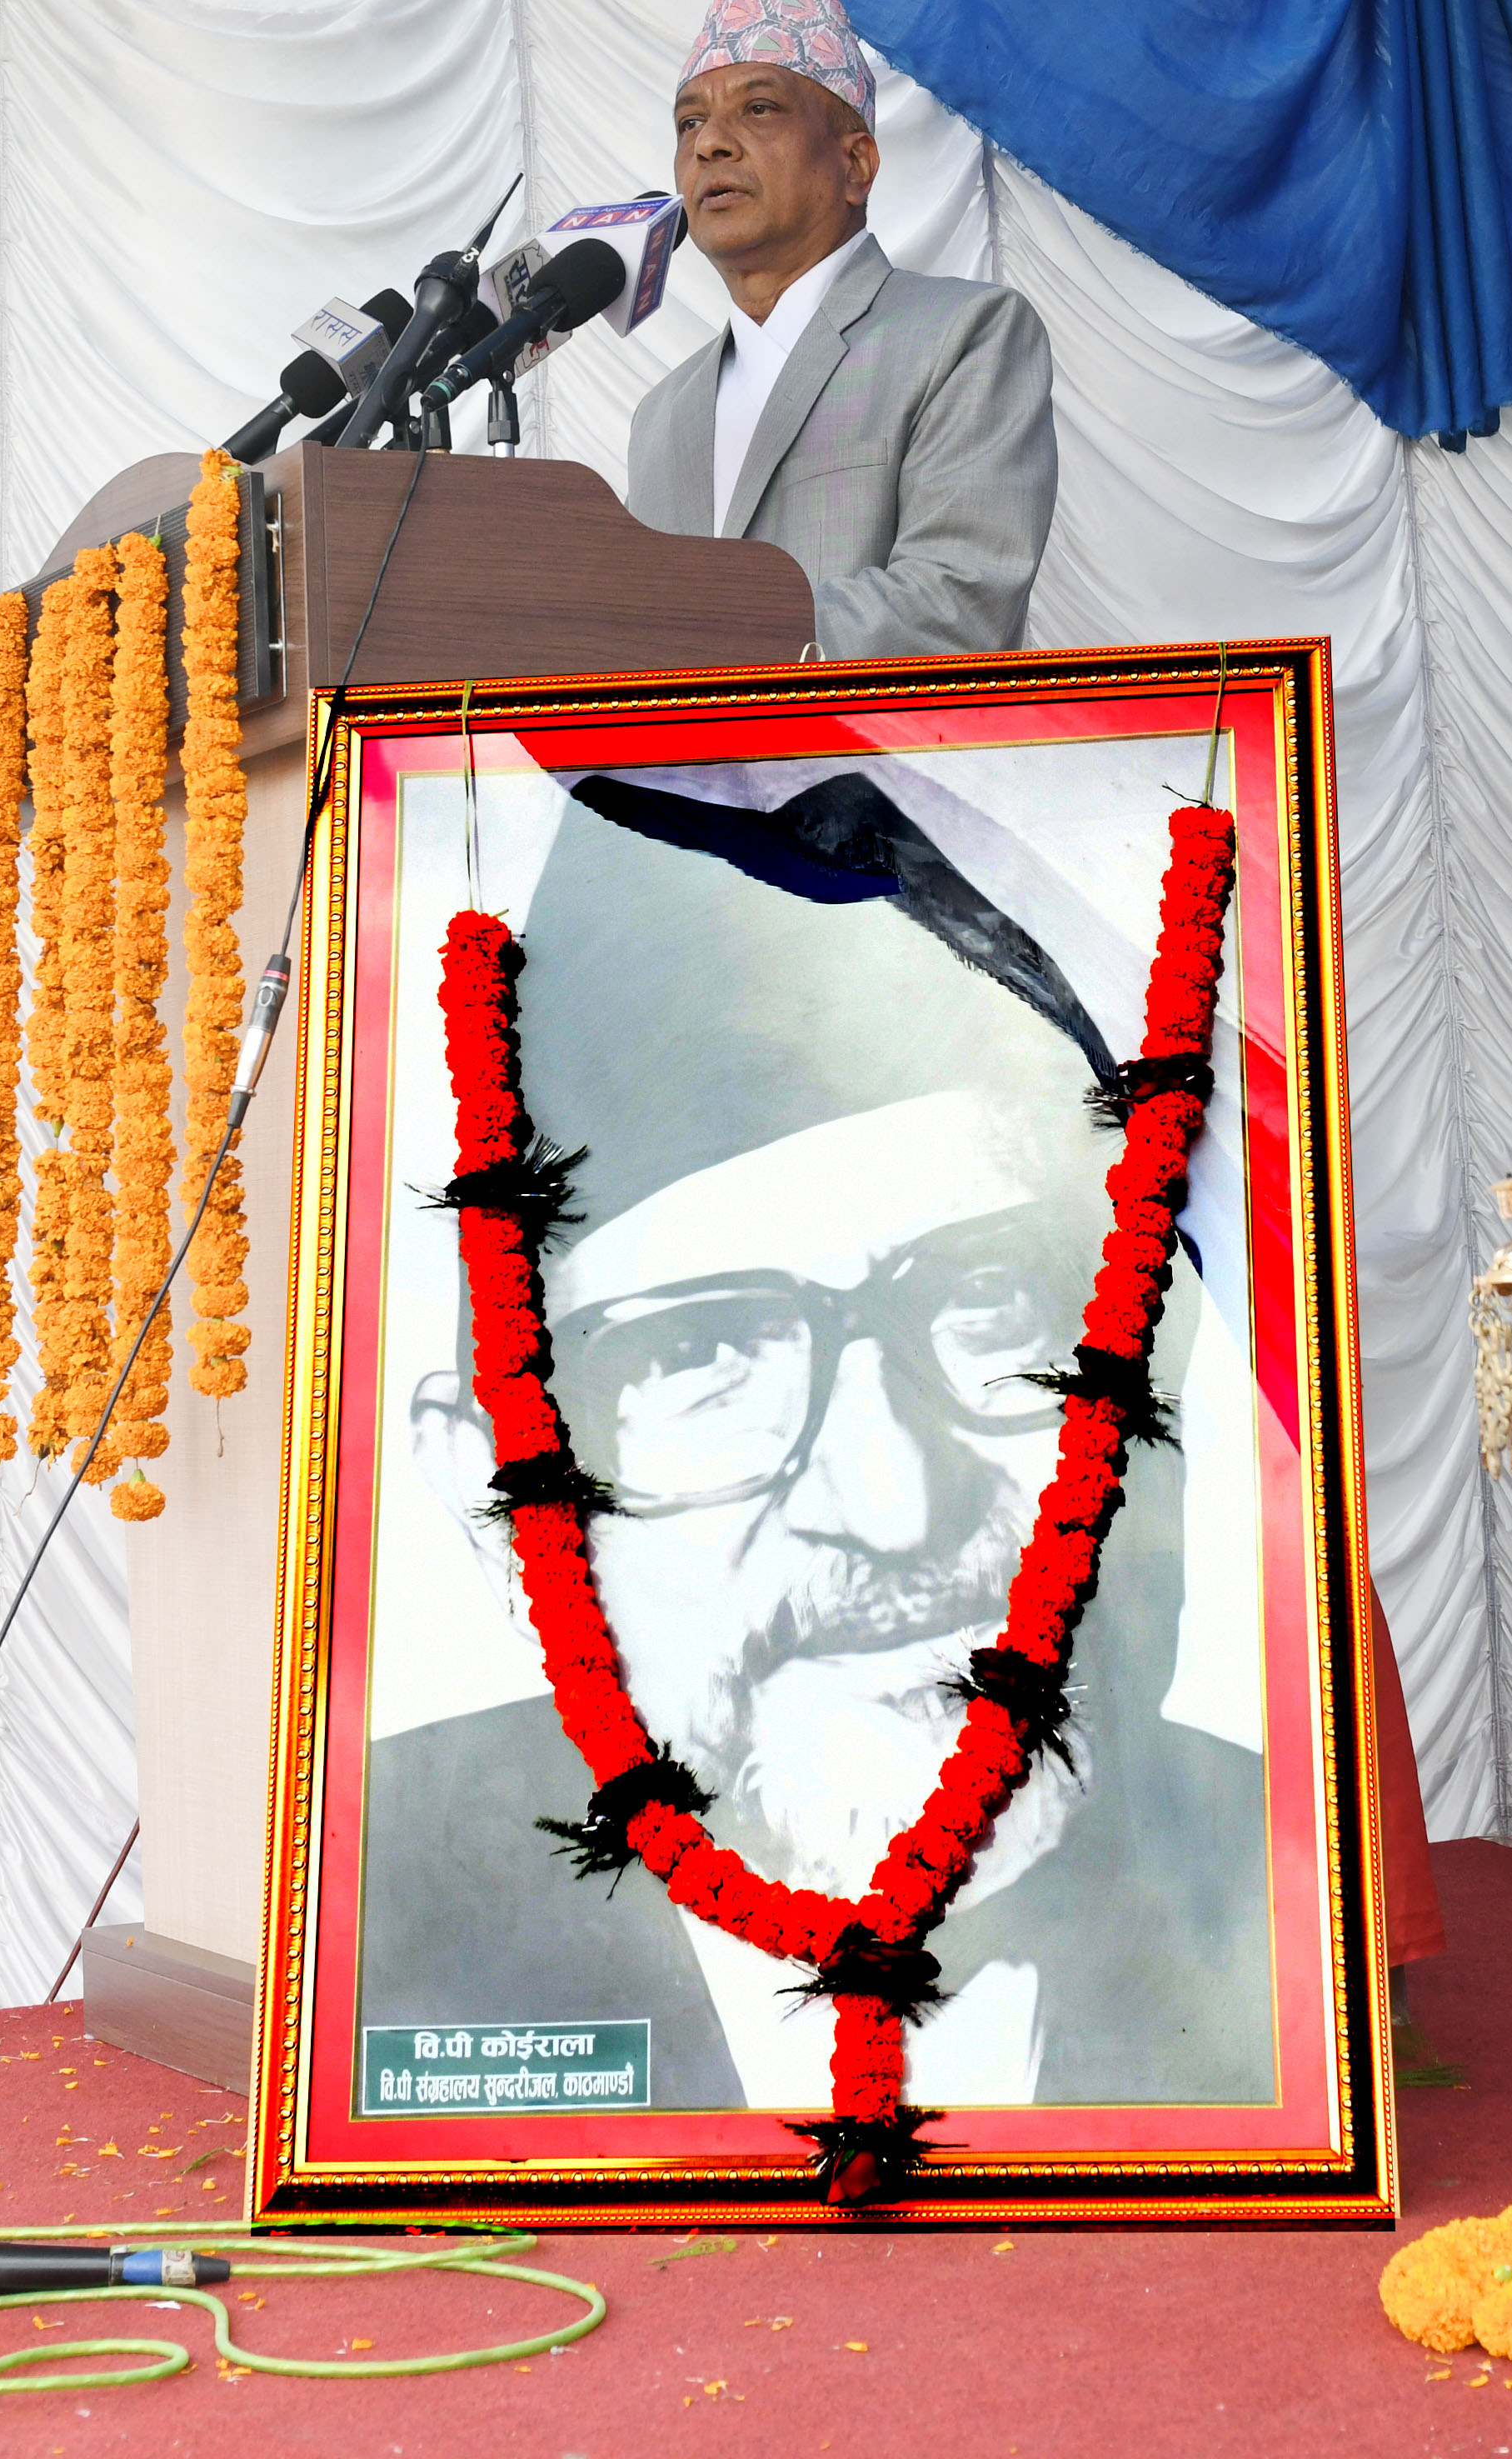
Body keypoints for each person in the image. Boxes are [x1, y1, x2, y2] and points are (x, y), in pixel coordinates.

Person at [362, 765, 1273, 2111]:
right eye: (699, 1356)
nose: (892, 1497)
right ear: (488, 1493)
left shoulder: (1280, 1896)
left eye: (984, 1304)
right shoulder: (376, 1938)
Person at [624, 0, 1058, 657]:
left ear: (855, 164)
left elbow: (958, 605)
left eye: (758, 109)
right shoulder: (662, 414)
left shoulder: (963, 336)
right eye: (689, 122)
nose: (709, 143)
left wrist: (714, 645)